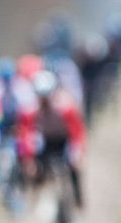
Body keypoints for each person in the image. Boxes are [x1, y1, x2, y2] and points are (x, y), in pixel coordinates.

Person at [17, 70, 87, 211]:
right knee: (36, 167)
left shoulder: (66, 107)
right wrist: (29, 159)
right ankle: (39, 194)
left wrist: (78, 152)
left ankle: (78, 199)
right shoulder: (30, 110)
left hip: (64, 140)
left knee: (74, 167)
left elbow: (77, 131)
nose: (44, 99)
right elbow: (26, 134)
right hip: (45, 141)